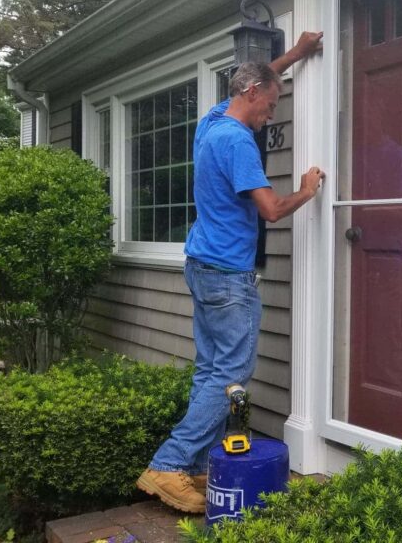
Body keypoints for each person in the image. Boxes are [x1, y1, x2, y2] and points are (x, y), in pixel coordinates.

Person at [137, 32, 325, 513]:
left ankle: (194, 467)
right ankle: (168, 464)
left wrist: (294, 56)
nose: (273, 111)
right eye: (272, 102)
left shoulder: (212, 124)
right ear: (251, 95)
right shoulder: (237, 142)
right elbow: (272, 211)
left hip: (202, 266)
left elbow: (258, 78)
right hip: (226, 273)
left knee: (210, 371)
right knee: (232, 371)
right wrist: (306, 189)